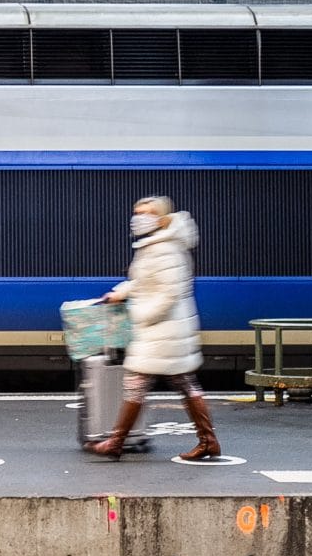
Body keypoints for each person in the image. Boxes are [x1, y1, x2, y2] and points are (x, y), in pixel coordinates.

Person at [87, 196, 220, 461]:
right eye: (136, 212)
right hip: (164, 331)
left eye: (145, 213)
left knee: (139, 382)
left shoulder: (166, 249)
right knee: (181, 383)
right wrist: (119, 293)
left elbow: (169, 293)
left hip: (163, 329)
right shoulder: (154, 246)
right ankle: (208, 441)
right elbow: (143, 282)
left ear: (160, 219)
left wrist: (139, 315)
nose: (138, 218)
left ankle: (116, 441)